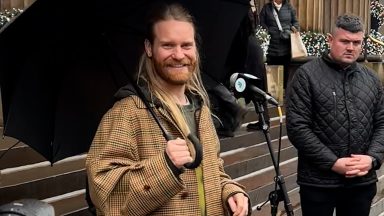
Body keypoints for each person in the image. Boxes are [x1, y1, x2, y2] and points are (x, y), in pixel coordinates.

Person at [85, 2, 251, 216]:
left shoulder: (201, 108)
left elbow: (212, 171)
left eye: (186, 45)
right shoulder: (127, 112)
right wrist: (165, 166)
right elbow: (106, 196)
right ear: (149, 48)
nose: (179, 55)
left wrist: (230, 191)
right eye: (168, 45)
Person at [286, 14, 384, 216]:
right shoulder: (306, 75)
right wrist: (332, 162)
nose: (351, 47)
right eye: (344, 41)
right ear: (330, 39)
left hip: (361, 182)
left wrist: (373, 158)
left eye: (356, 42)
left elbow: (382, 123)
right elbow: (298, 127)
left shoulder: (372, 80)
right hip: (318, 182)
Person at [259, 0, 299, 89]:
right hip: (271, 48)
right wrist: (270, 32)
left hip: (286, 48)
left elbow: (295, 23)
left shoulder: (289, 7)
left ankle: (284, 93)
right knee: (271, 73)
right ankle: (272, 94)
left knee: (285, 73)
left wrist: (290, 31)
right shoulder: (266, 8)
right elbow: (261, 24)